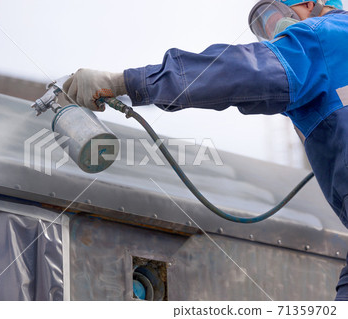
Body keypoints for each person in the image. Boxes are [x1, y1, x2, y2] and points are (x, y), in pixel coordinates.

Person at [62, 0, 348, 300]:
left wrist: (124, 82)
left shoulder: (321, 37)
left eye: (273, 17)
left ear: (309, 4)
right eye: (262, 27)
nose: (271, 32)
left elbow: (238, 72)